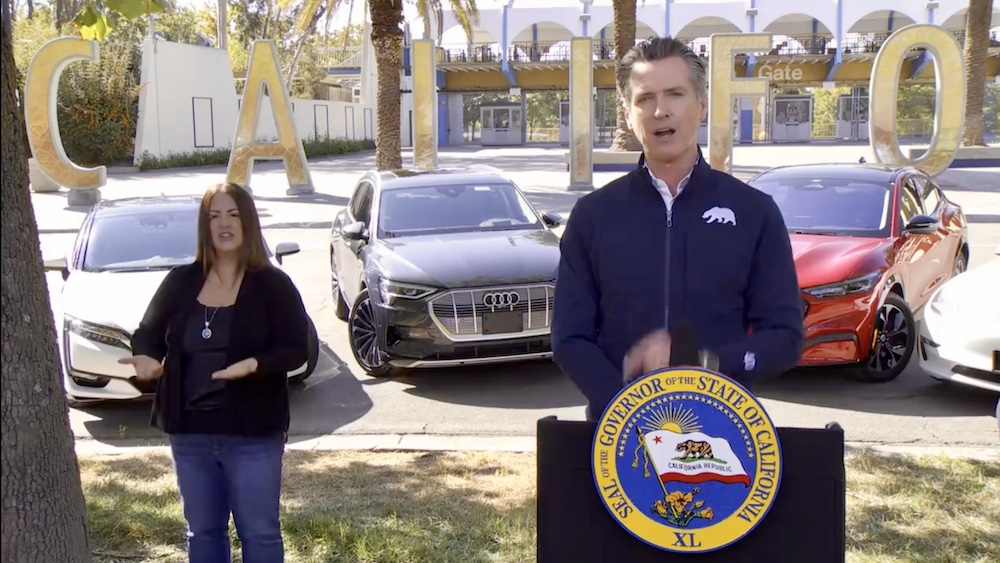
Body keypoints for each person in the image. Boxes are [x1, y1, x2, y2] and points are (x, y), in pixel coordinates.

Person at [551, 37, 804, 421]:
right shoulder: (592, 216)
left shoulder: (754, 213)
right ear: (627, 112)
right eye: (644, 98)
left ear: (700, 105)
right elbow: (570, 339)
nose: (660, 111)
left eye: (675, 94)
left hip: (724, 432)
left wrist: (707, 364)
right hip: (617, 436)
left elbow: (785, 338)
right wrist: (627, 405)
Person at [118, 182, 311, 563]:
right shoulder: (180, 282)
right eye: (214, 216)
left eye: (233, 214)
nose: (224, 224)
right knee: (202, 533)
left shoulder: (273, 285)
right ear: (204, 226)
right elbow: (148, 334)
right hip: (190, 435)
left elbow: (295, 348)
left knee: (260, 533)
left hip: (252, 435)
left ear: (249, 223)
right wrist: (145, 359)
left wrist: (255, 365)